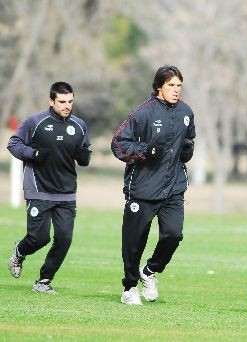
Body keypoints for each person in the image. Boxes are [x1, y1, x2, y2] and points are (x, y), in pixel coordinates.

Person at [111, 65, 195, 305]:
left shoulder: (186, 112)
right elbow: (118, 144)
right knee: (134, 241)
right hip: (143, 189)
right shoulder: (142, 113)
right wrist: (145, 150)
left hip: (173, 188)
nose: (176, 90)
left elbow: (187, 143)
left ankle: (149, 272)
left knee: (173, 234)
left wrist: (188, 150)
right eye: (171, 85)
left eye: (179, 85)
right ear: (159, 86)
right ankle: (129, 288)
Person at [7, 82, 92, 294]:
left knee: (64, 238)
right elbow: (13, 144)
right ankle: (20, 251)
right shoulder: (35, 122)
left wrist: (84, 156)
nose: (67, 106)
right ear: (51, 101)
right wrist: (33, 154)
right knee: (39, 238)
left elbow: (84, 151)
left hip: (66, 192)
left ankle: (44, 281)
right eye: (62, 102)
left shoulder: (79, 125)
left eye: (70, 101)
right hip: (39, 189)